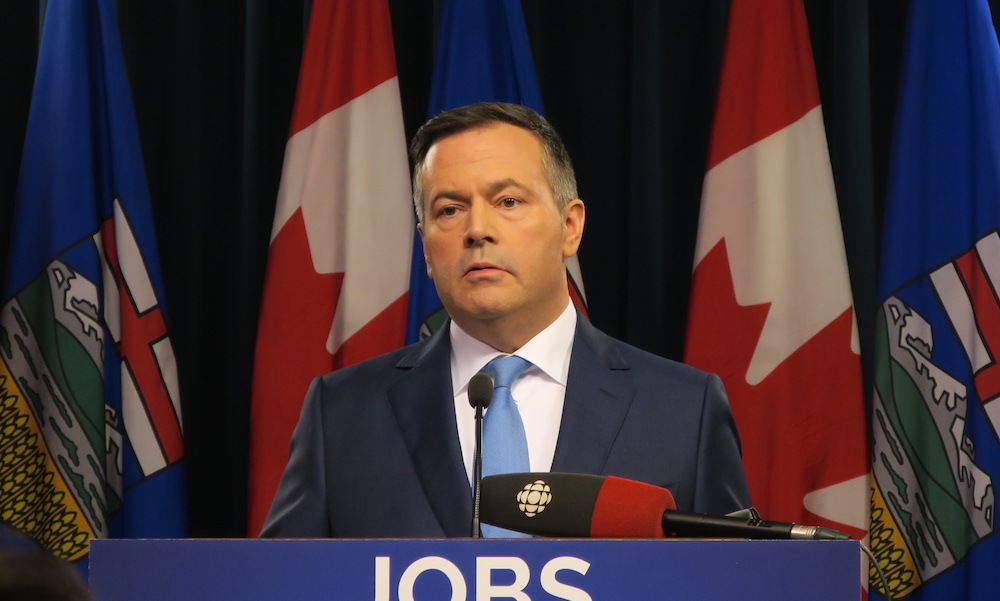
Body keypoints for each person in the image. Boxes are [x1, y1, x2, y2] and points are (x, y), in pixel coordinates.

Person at [261, 102, 750, 538]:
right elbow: (282, 585)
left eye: (508, 201)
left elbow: (731, 585)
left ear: (570, 227)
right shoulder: (341, 414)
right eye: (449, 209)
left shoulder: (685, 409)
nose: (477, 230)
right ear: (426, 249)